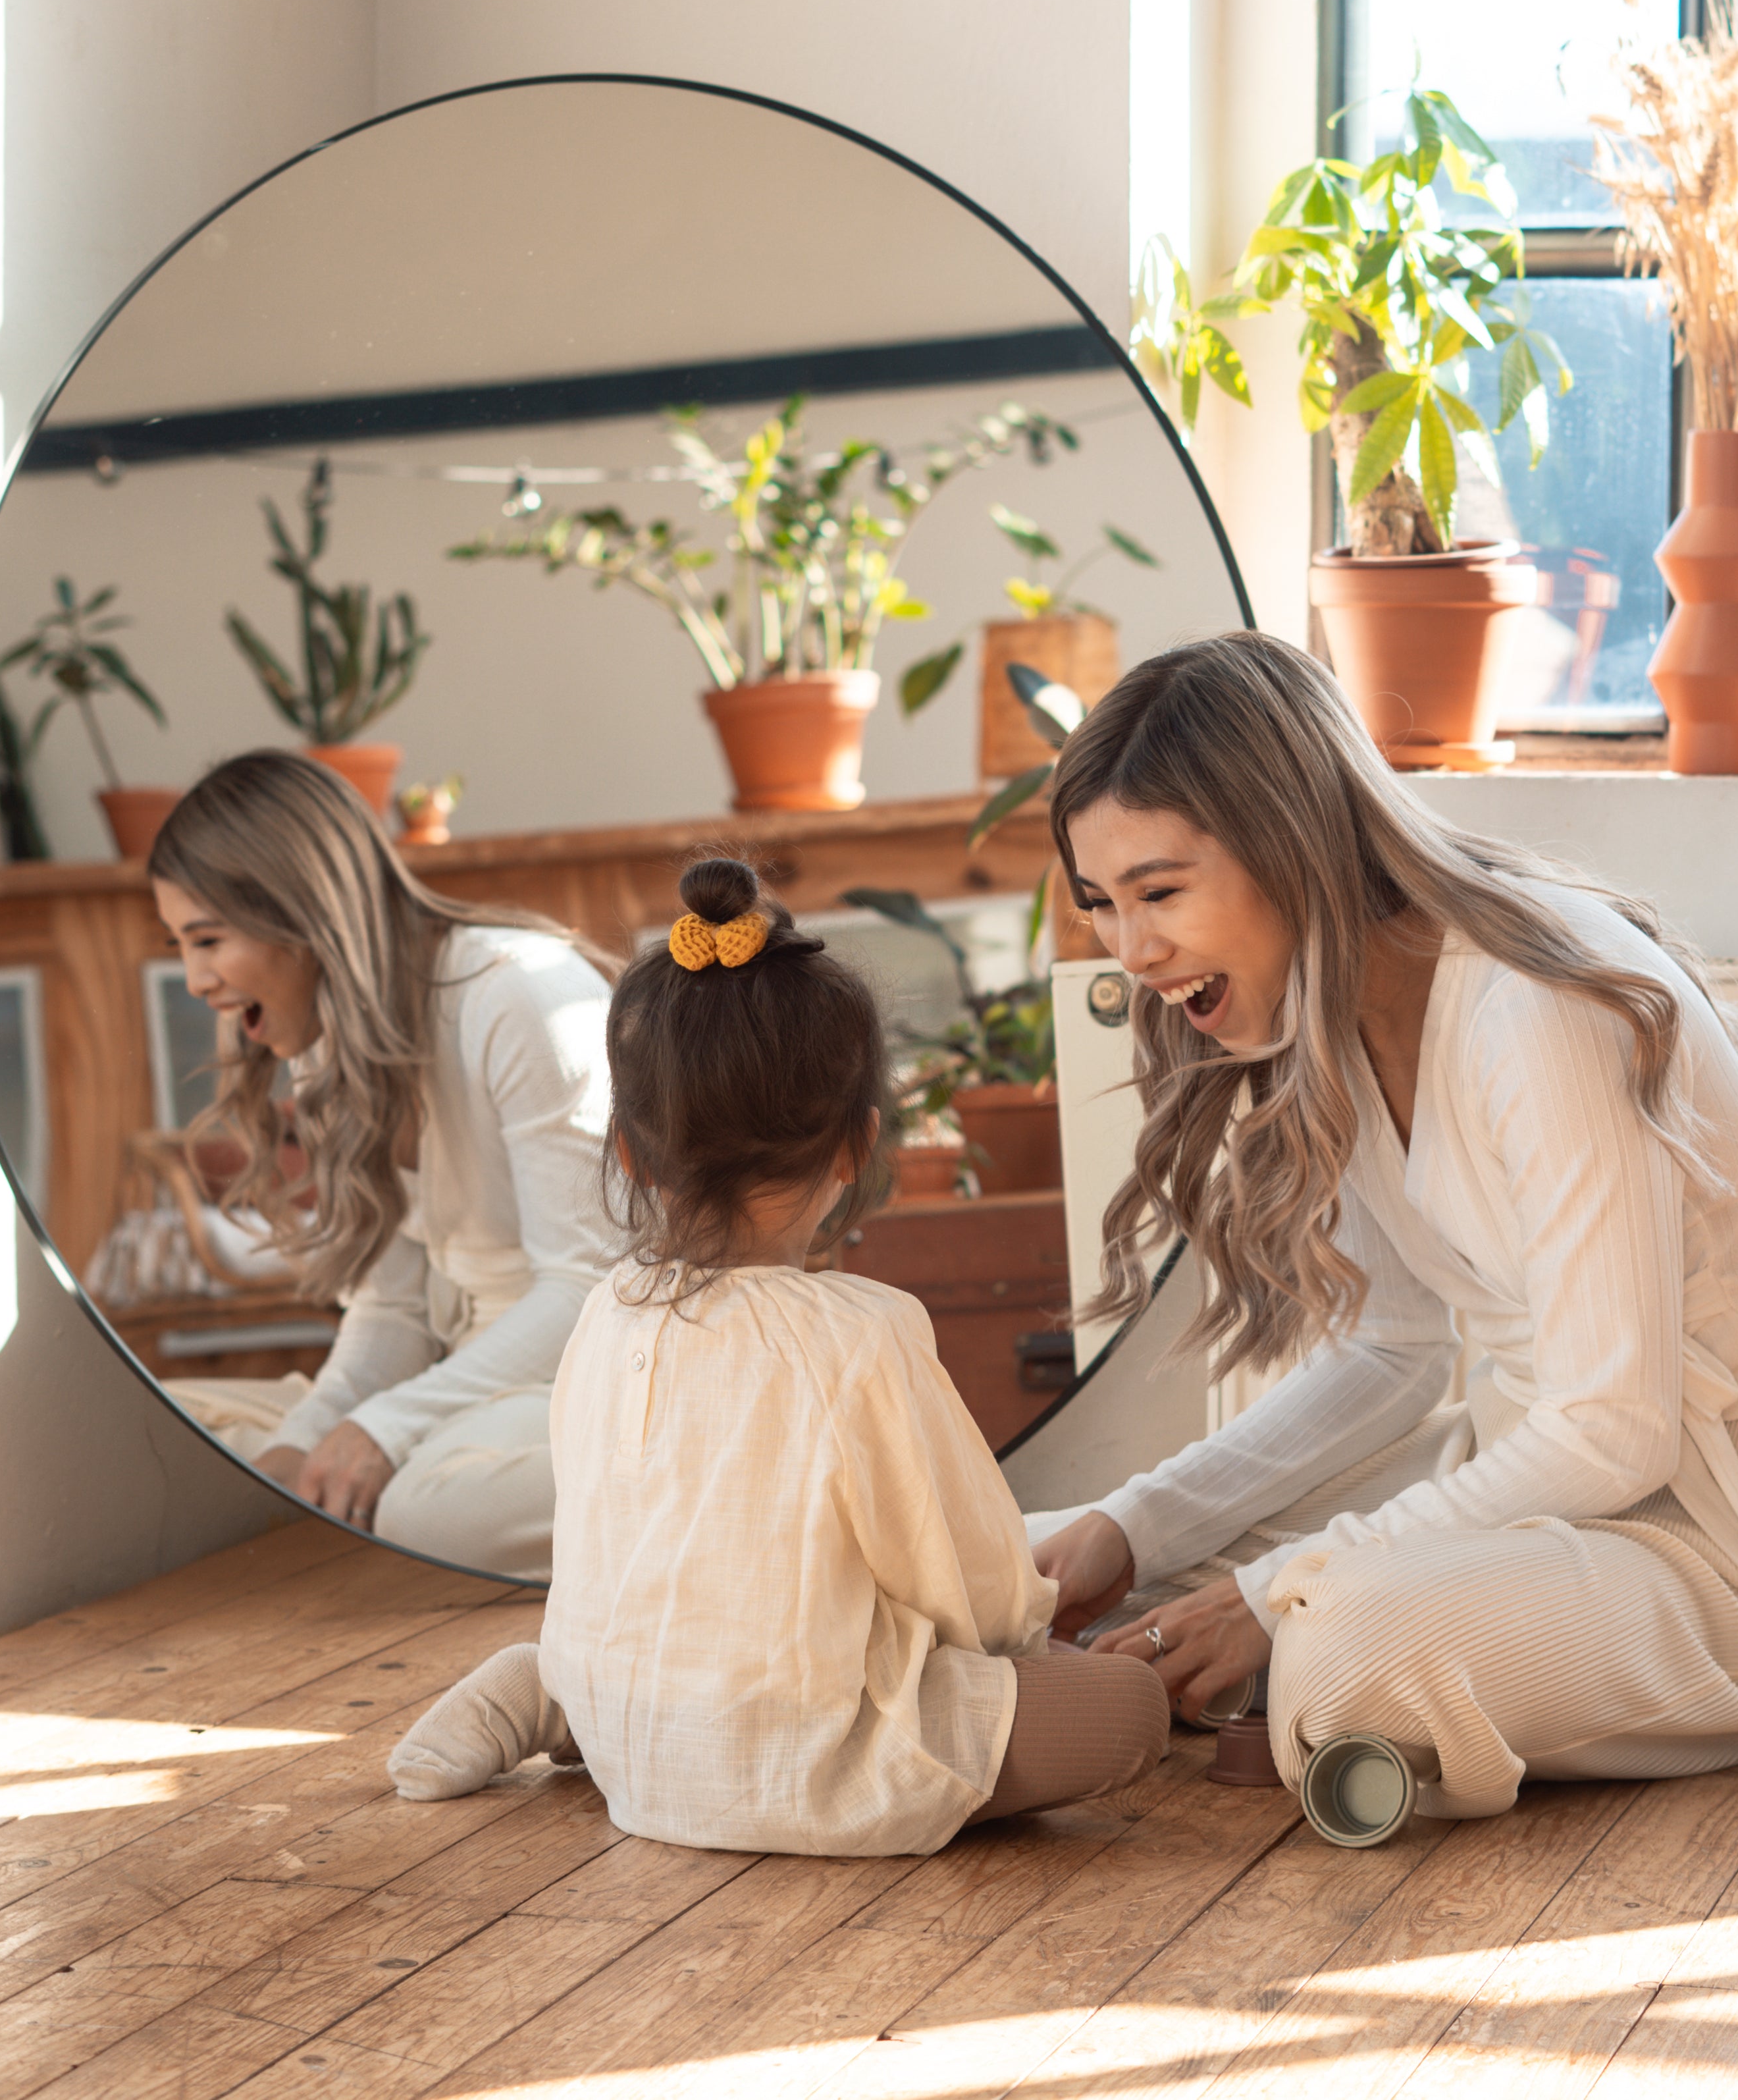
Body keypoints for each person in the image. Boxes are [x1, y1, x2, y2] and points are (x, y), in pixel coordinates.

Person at [1031, 631, 1738, 1817]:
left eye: (1160, 893)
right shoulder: (1333, 1009)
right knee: (1041, 1553)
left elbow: (1614, 1432)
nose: (1134, 949)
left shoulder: (1538, 1004)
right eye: (1104, 905)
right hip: (1532, 1498)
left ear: (1290, 838)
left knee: (1342, 1641)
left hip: (1722, 1548)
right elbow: (1393, 1351)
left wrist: (1274, 1594)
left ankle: (1318, 1681)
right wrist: (1134, 1526)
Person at [382, 858, 1167, 1852]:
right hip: (808, 1758)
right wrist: (1043, 1632)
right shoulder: (859, 1335)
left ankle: (557, 1689)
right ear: (855, 1148)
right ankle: (564, 1688)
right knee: (1129, 1708)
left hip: (639, 1739)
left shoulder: (605, 1314)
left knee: (635, 1638)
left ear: (628, 1152)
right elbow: (968, 1590)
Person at [150, 749, 619, 1580]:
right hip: (467, 1395)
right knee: (160, 1434)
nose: (194, 980)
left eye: (209, 939)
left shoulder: (515, 993)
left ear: (301, 914)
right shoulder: (332, 1038)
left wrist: (387, 1429)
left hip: (593, 1384)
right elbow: (395, 1308)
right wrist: (303, 1450)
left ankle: (720, 1484)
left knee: (422, 1514)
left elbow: (590, 1294)